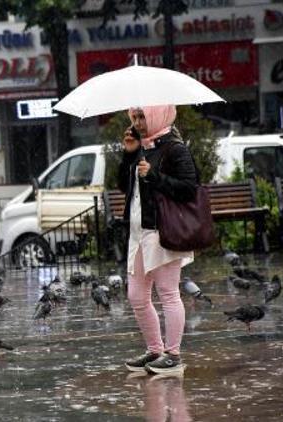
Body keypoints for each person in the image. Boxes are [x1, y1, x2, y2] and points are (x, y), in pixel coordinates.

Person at [118, 105, 197, 375]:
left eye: (143, 117)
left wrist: (155, 176)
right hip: (139, 232)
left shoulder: (175, 148)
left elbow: (189, 189)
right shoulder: (140, 146)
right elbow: (122, 186)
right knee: (137, 296)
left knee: (168, 294)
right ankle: (155, 349)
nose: (139, 123)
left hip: (164, 231)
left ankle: (173, 355)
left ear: (157, 115)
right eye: (135, 117)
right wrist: (128, 155)